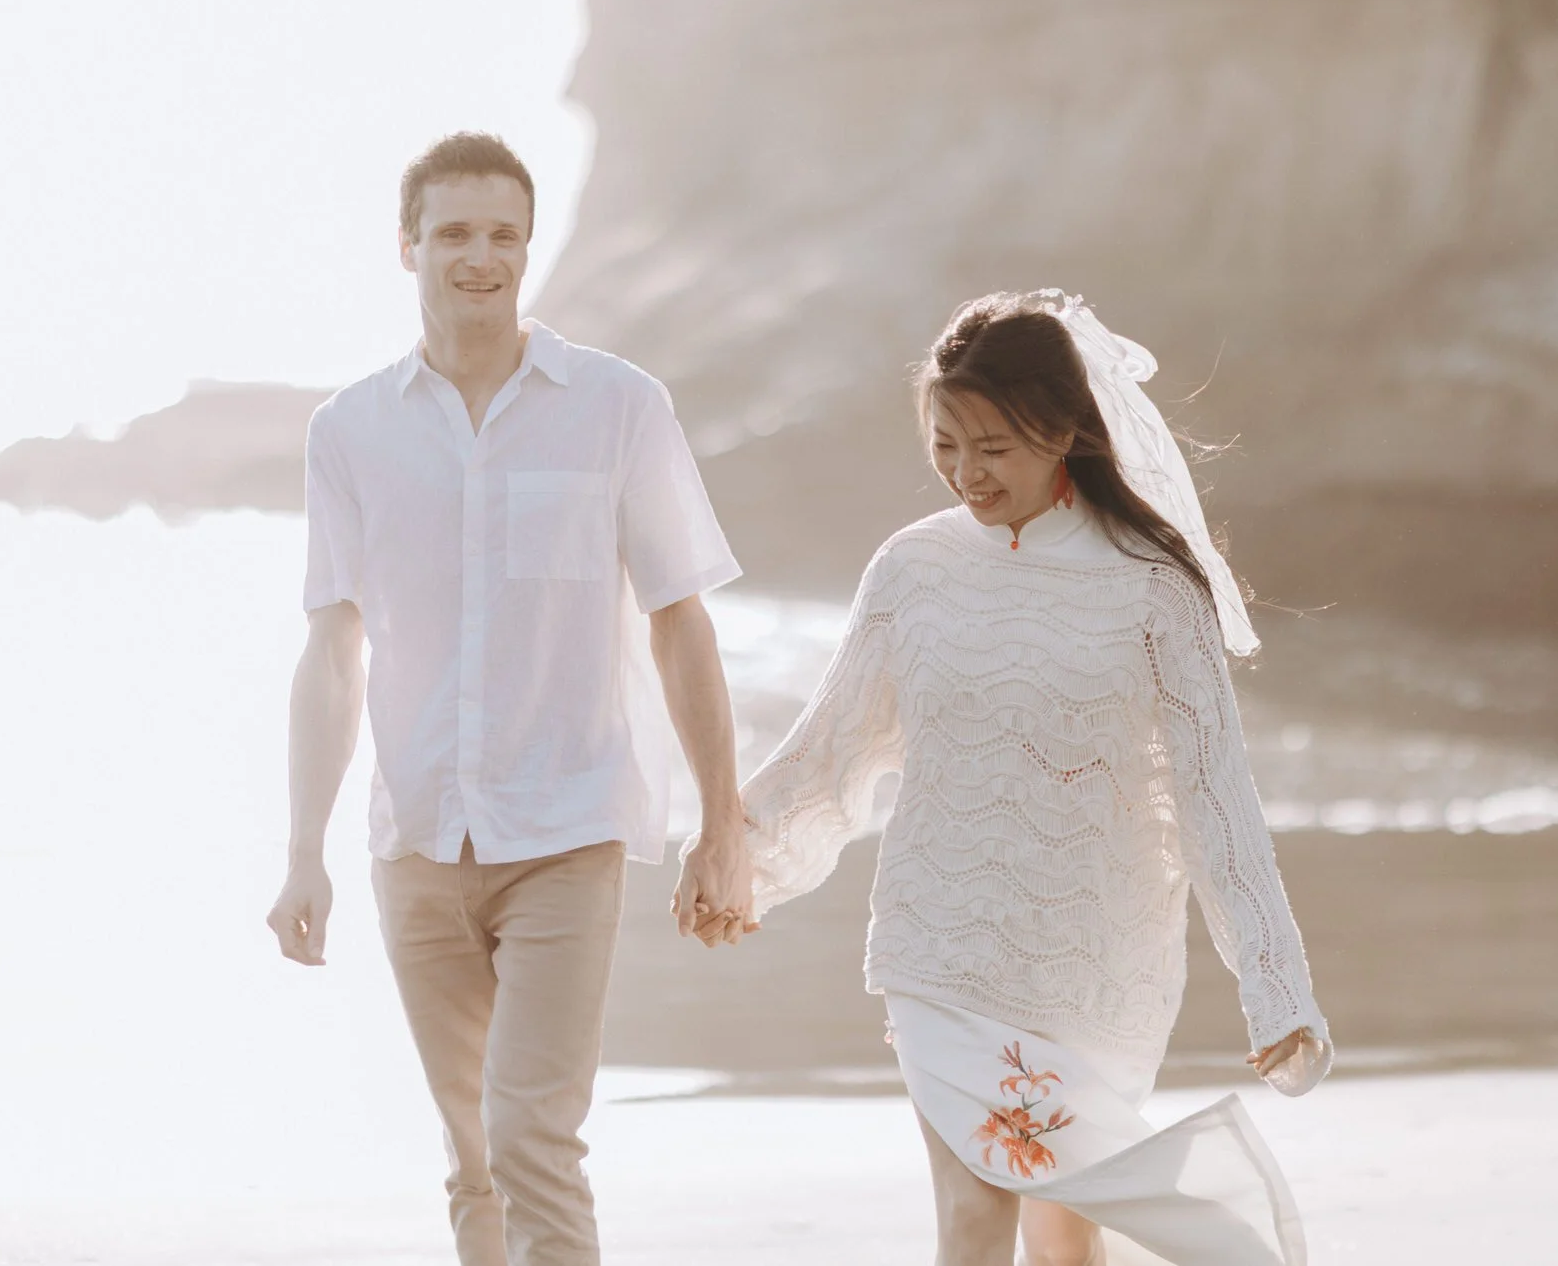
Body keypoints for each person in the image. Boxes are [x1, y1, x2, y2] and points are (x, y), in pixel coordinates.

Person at [719, 290, 1332, 1266]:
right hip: (939, 949)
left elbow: (1215, 800)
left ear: (1061, 430)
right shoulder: (911, 568)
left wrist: (1277, 987)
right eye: (944, 445)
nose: (966, 472)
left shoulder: (1153, 588)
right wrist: (733, 853)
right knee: (972, 1219)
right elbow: (832, 741)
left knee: (1063, 1238)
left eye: (992, 447)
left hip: (1093, 964)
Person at [265, 131, 756, 1266]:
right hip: (416, 843)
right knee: (472, 1153)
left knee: (533, 1137)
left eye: (501, 235)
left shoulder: (618, 406)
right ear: (407, 247)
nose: (478, 257)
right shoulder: (349, 431)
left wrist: (720, 826)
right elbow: (332, 650)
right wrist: (303, 851)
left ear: (529, 249)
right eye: (452, 233)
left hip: (565, 831)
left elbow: (680, 619)